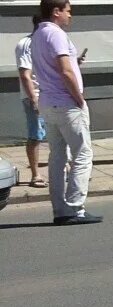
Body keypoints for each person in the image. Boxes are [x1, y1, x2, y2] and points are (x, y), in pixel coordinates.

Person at [31, 0, 102, 225]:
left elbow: (58, 66)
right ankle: (75, 208)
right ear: (56, 11)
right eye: (68, 10)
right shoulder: (56, 33)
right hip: (66, 103)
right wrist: (78, 97)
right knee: (82, 154)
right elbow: (65, 70)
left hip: (48, 102)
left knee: (57, 157)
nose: (70, 15)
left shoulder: (38, 34)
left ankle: (60, 210)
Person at [14, 15, 45, 188]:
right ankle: (36, 175)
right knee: (36, 135)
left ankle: (66, 169)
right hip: (36, 95)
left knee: (60, 134)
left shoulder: (48, 42)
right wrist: (34, 99)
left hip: (52, 95)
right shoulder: (26, 44)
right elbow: (25, 75)